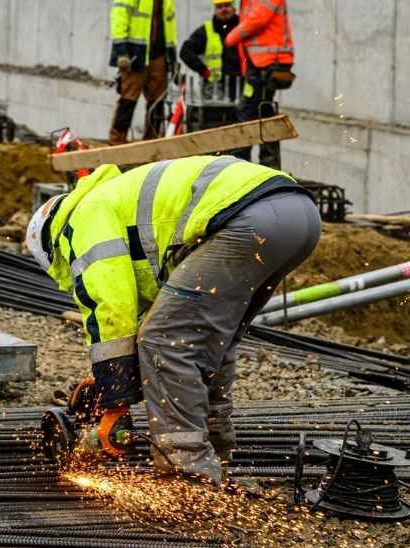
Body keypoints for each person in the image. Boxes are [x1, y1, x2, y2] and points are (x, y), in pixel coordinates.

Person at [26, 156, 321, 485]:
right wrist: (108, 384)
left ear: (51, 248)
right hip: (297, 215)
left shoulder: (79, 223)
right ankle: (216, 450)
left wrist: (116, 406)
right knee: (208, 340)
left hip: (247, 218)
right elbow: (160, 314)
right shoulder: (114, 200)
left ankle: (187, 473)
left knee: (165, 341)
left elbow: (113, 309)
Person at [224, 0, 295, 167]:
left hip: (268, 64)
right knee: (256, 110)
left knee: (258, 110)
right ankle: (251, 164)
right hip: (260, 64)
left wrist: (232, 36)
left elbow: (258, 19)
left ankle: (254, 165)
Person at [107, 0, 180, 145]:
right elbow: (119, 19)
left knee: (157, 102)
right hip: (135, 55)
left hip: (158, 55)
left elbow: (169, 23)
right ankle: (117, 142)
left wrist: (172, 55)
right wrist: (121, 51)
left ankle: (152, 144)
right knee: (128, 100)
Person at [178, 0, 240, 98]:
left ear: (233, 7)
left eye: (227, 5)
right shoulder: (206, 31)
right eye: (219, 6)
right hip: (214, 91)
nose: (223, 9)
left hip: (241, 88)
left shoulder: (244, 28)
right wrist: (203, 70)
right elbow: (185, 51)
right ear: (215, 9)